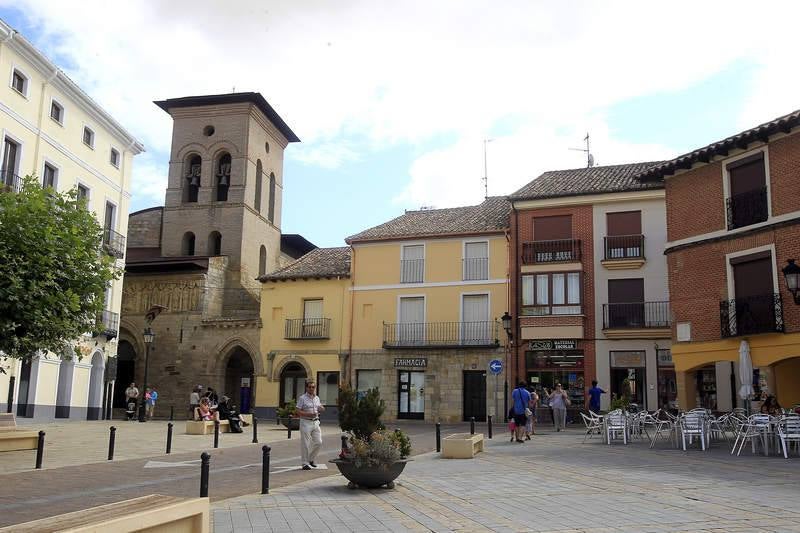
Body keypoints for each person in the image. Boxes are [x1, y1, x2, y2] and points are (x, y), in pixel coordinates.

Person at [295, 380, 325, 470]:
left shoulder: (317, 398)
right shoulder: (302, 398)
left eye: (313, 387)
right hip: (305, 422)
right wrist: (308, 414)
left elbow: (320, 407)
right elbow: (297, 411)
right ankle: (304, 463)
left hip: (316, 422)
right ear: (306, 388)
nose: (311, 389)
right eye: (310, 387)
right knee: (305, 443)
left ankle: (311, 459)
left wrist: (322, 408)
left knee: (319, 442)